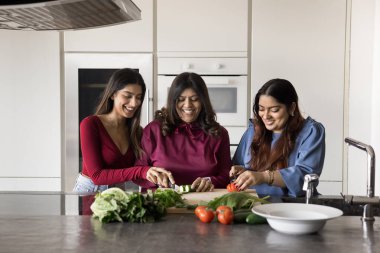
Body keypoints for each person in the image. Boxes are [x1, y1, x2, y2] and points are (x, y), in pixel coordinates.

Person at [73, 68, 174, 193]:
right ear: (112, 94)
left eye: (138, 97)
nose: (134, 103)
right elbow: (97, 176)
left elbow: (139, 172)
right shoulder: (90, 124)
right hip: (90, 191)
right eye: (128, 96)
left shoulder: (137, 132)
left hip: (118, 190)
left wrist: (157, 176)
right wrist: (143, 171)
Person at [135, 72, 232, 192]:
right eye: (181, 100)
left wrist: (210, 181)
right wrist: (151, 175)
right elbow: (137, 172)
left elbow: (226, 175)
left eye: (195, 99)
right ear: (172, 101)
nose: (187, 105)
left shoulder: (219, 134)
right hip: (161, 202)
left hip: (205, 203)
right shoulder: (153, 130)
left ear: (203, 101)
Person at [230, 78, 325, 197]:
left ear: (291, 108)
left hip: (292, 208)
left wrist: (264, 177)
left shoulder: (310, 132)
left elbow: (306, 177)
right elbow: (240, 165)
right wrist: (242, 171)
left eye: (274, 110)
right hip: (252, 204)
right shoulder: (253, 130)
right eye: (261, 109)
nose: (265, 116)